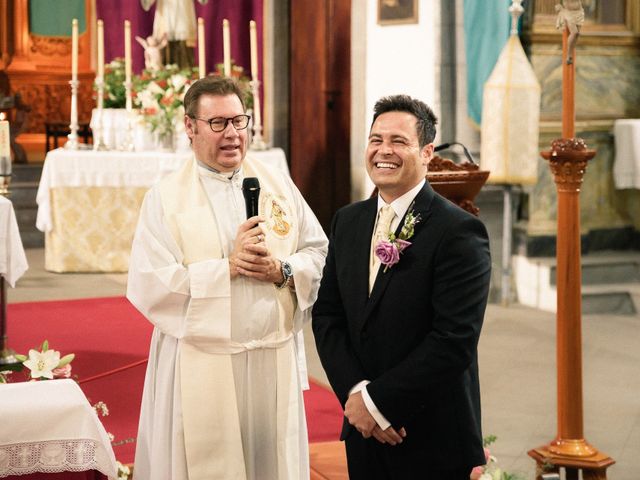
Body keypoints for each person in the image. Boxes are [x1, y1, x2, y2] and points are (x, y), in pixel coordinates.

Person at [127, 76, 328, 480]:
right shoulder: (166, 198)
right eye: (218, 123)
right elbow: (151, 283)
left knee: (272, 463)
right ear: (190, 127)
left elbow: (317, 250)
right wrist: (228, 268)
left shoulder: (277, 184)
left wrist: (282, 270)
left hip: (272, 357)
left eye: (239, 121)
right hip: (203, 361)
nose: (233, 134)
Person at [312, 94, 491, 479]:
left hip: (430, 432)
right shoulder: (348, 221)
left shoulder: (458, 231)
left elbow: (454, 339)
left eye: (398, 141)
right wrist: (357, 395)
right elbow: (328, 316)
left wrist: (379, 402)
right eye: (376, 140)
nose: (384, 151)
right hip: (363, 430)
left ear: (427, 152)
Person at [556, 0, 585, 64]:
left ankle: (570, 53)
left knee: (577, 34)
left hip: (579, 12)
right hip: (569, 13)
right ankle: (568, 54)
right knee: (574, 32)